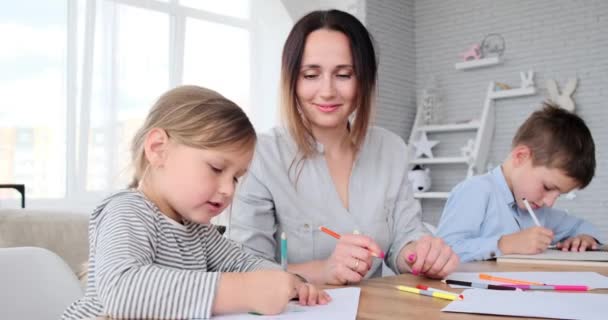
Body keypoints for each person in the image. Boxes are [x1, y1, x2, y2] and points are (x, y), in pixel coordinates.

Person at [228, 10, 458, 285]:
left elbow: (403, 239)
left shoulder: (391, 149)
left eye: (344, 75)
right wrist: (321, 271)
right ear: (292, 81)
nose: (327, 91)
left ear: (364, 81)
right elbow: (242, 266)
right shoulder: (263, 154)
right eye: (311, 75)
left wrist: (420, 255)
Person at [62, 86, 329, 320]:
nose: (227, 190)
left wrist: (289, 282)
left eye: (236, 178)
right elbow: (121, 290)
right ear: (158, 149)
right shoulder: (125, 211)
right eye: (215, 168)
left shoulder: (198, 232)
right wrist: (243, 291)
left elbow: (241, 262)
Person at [436, 102, 605, 262]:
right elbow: (442, 251)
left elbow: (583, 226)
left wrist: (585, 238)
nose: (550, 202)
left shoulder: (540, 211)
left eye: (558, 195)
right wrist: (504, 244)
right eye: (547, 187)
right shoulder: (476, 191)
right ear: (521, 157)